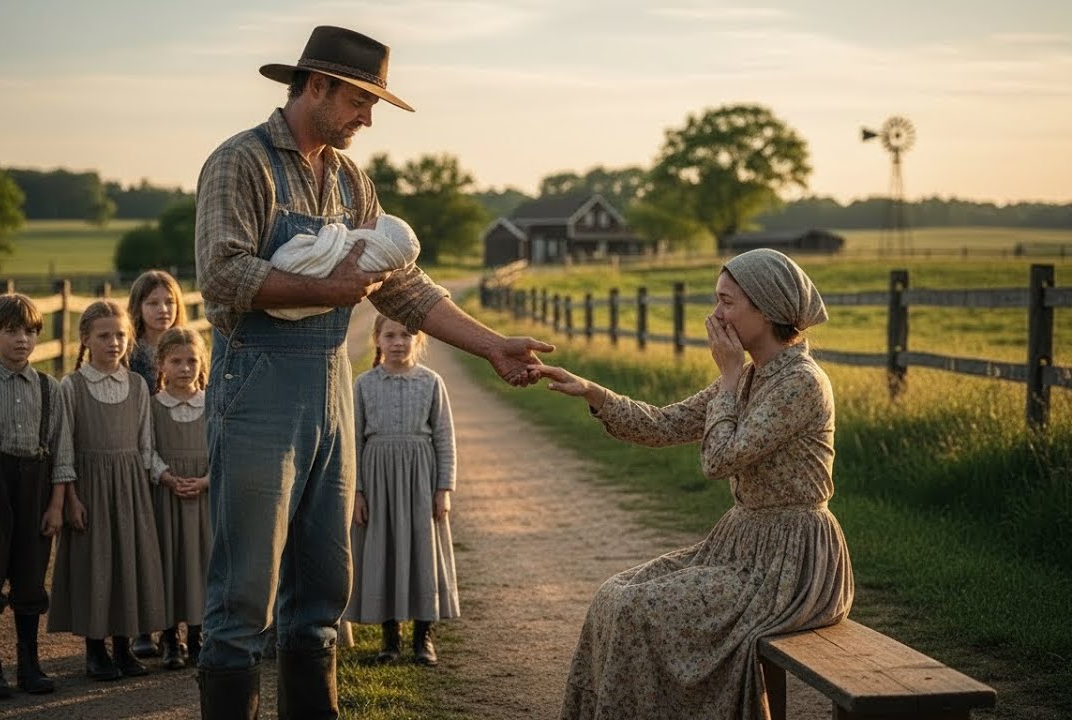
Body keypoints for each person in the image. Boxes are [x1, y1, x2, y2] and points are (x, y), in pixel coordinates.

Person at [192, 23, 553, 719]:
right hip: (257, 387)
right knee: (243, 592)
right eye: (361, 100)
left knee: (325, 585)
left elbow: (403, 286)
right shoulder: (241, 163)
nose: (368, 117)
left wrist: (490, 346)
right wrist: (323, 291)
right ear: (317, 85)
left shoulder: (351, 178)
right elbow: (221, 271)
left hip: (331, 384)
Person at [530, 248, 854, 719]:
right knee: (614, 595)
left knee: (640, 610)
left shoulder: (800, 382)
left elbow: (719, 459)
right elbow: (665, 424)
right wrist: (593, 392)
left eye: (727, 302)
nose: (715, 315)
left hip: (792, 562)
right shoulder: (748, 377)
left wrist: (725, 379)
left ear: (765, 309)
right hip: (741, 545)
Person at [0, 293, 74, 699]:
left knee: (31, 579)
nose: (21, 339)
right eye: (11, 331)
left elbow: (62, 452)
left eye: (30, 331)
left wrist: (56, 505)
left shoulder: (49, 388)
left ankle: (29, 665)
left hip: (36, 489)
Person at [47, 300, 167, 682]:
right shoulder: (72, 386)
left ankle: (123, 647)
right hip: (90, 488)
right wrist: (69, 499)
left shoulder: (136, 385)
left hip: (131, 487)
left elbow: (146, 446)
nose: (113, 342)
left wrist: (154, 486)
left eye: (120, 335)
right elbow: (63, 446)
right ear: (86, 339)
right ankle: (95, 650)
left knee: (128, 565)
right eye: (104, 336)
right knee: (95, 566)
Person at [345, 316, 460, 666]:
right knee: (384, 551)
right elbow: (353, 443)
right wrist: (357, 492)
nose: (398, 342)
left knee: (422, 551)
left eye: (406, 334)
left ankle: (423, 637)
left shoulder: (431, 383)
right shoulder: (363, 385)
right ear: (377, 339)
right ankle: (389, 637)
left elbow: (444, 437)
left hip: (420, 480)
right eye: (390, 335)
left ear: (419, 339)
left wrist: (444, 487)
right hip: (378, 480)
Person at [125, 269, 186, 659]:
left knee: (176, 541)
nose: (162, 309)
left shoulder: (188, 346)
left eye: (169, 302)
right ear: (138, 307)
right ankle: (141, 627)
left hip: (179, 449)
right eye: (153, 302)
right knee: (144, 540)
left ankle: (176, 630)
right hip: (137, 450)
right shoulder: (130, 353)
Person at [147, 326, 212, 670]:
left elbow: (222, 449)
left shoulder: (211, 403)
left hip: (202, 496)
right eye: (176, 361)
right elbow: (147, 449)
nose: (185, 368)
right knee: (170, 562)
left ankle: (200, 634)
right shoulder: (154, 406)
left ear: (202, 363)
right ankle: (171, 638)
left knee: (200, 562)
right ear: (161, 364)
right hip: (168, 495)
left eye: (191, 361)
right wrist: (167, 477)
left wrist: (205, 481)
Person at [266, 212, 420, 320]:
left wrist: (334, 234)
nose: (362, 225)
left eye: (370, 224)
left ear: (374, 236)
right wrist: (326, 289)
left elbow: (405, 286)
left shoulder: (356, 183)